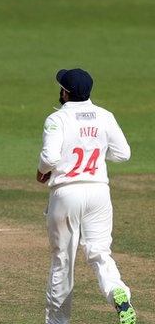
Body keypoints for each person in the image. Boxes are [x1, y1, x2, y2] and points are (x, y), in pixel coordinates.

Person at [37, 68, 136, 324]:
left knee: (62, 260)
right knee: (100, 253)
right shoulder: (105, 116)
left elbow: (49, 157)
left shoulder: (57, 119)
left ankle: (58, 322)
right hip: (98, 192)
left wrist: (42, 171)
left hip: (67, 193)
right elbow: (123, 153)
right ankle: (118, 293)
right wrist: (98, 152)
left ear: (65, 93)